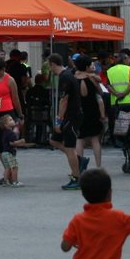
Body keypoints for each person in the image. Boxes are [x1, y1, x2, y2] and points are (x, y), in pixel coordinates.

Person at [48, 53, 86, 190]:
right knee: (54, 140)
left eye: (49, 66)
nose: (49, 69)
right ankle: (79, 160)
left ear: (53, 64)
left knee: (70, 148)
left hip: (71, 116)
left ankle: (76, 178)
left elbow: (64, 100)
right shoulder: (68, 74)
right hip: (71, 115)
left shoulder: (65, 77)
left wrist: (59, 120)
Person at [72, 54, 106, 172]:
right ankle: (98, 166)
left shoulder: (73, 78)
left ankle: (79, 166)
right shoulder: (92, 78)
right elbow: (100, 92)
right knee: (95, 139)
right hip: (92, 111)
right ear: (86, 67)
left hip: (78, 111)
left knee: (79, 139)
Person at [0, 114, 21, 186]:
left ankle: (5, 181)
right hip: (10, 153)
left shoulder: (5, 132)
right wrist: (21, 141)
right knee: (14, 167)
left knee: (7, 168)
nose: (13, 121)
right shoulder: (11, 133)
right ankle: (15, 182)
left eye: (12, 119)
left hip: (4, 153)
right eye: (10, 120)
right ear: (6, 125)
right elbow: (12, 143)